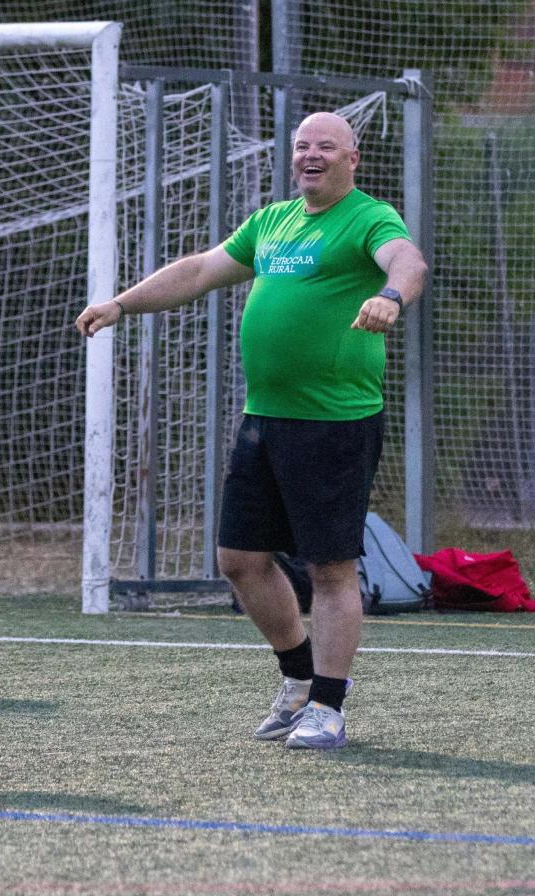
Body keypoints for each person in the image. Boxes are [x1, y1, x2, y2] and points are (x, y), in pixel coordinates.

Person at [75, 112, 428, 750]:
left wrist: (391, 297)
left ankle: (328, 706)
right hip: (264, 418)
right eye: (301, 146)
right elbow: (200, 269)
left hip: (335, 425)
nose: (310, 155)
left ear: (354, 158)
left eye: (326, 145)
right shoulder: (273, 222)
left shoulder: (368, 217)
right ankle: (297, 681)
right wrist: (121, 303)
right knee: (238, 560)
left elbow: (406, 260)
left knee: (330, 570)